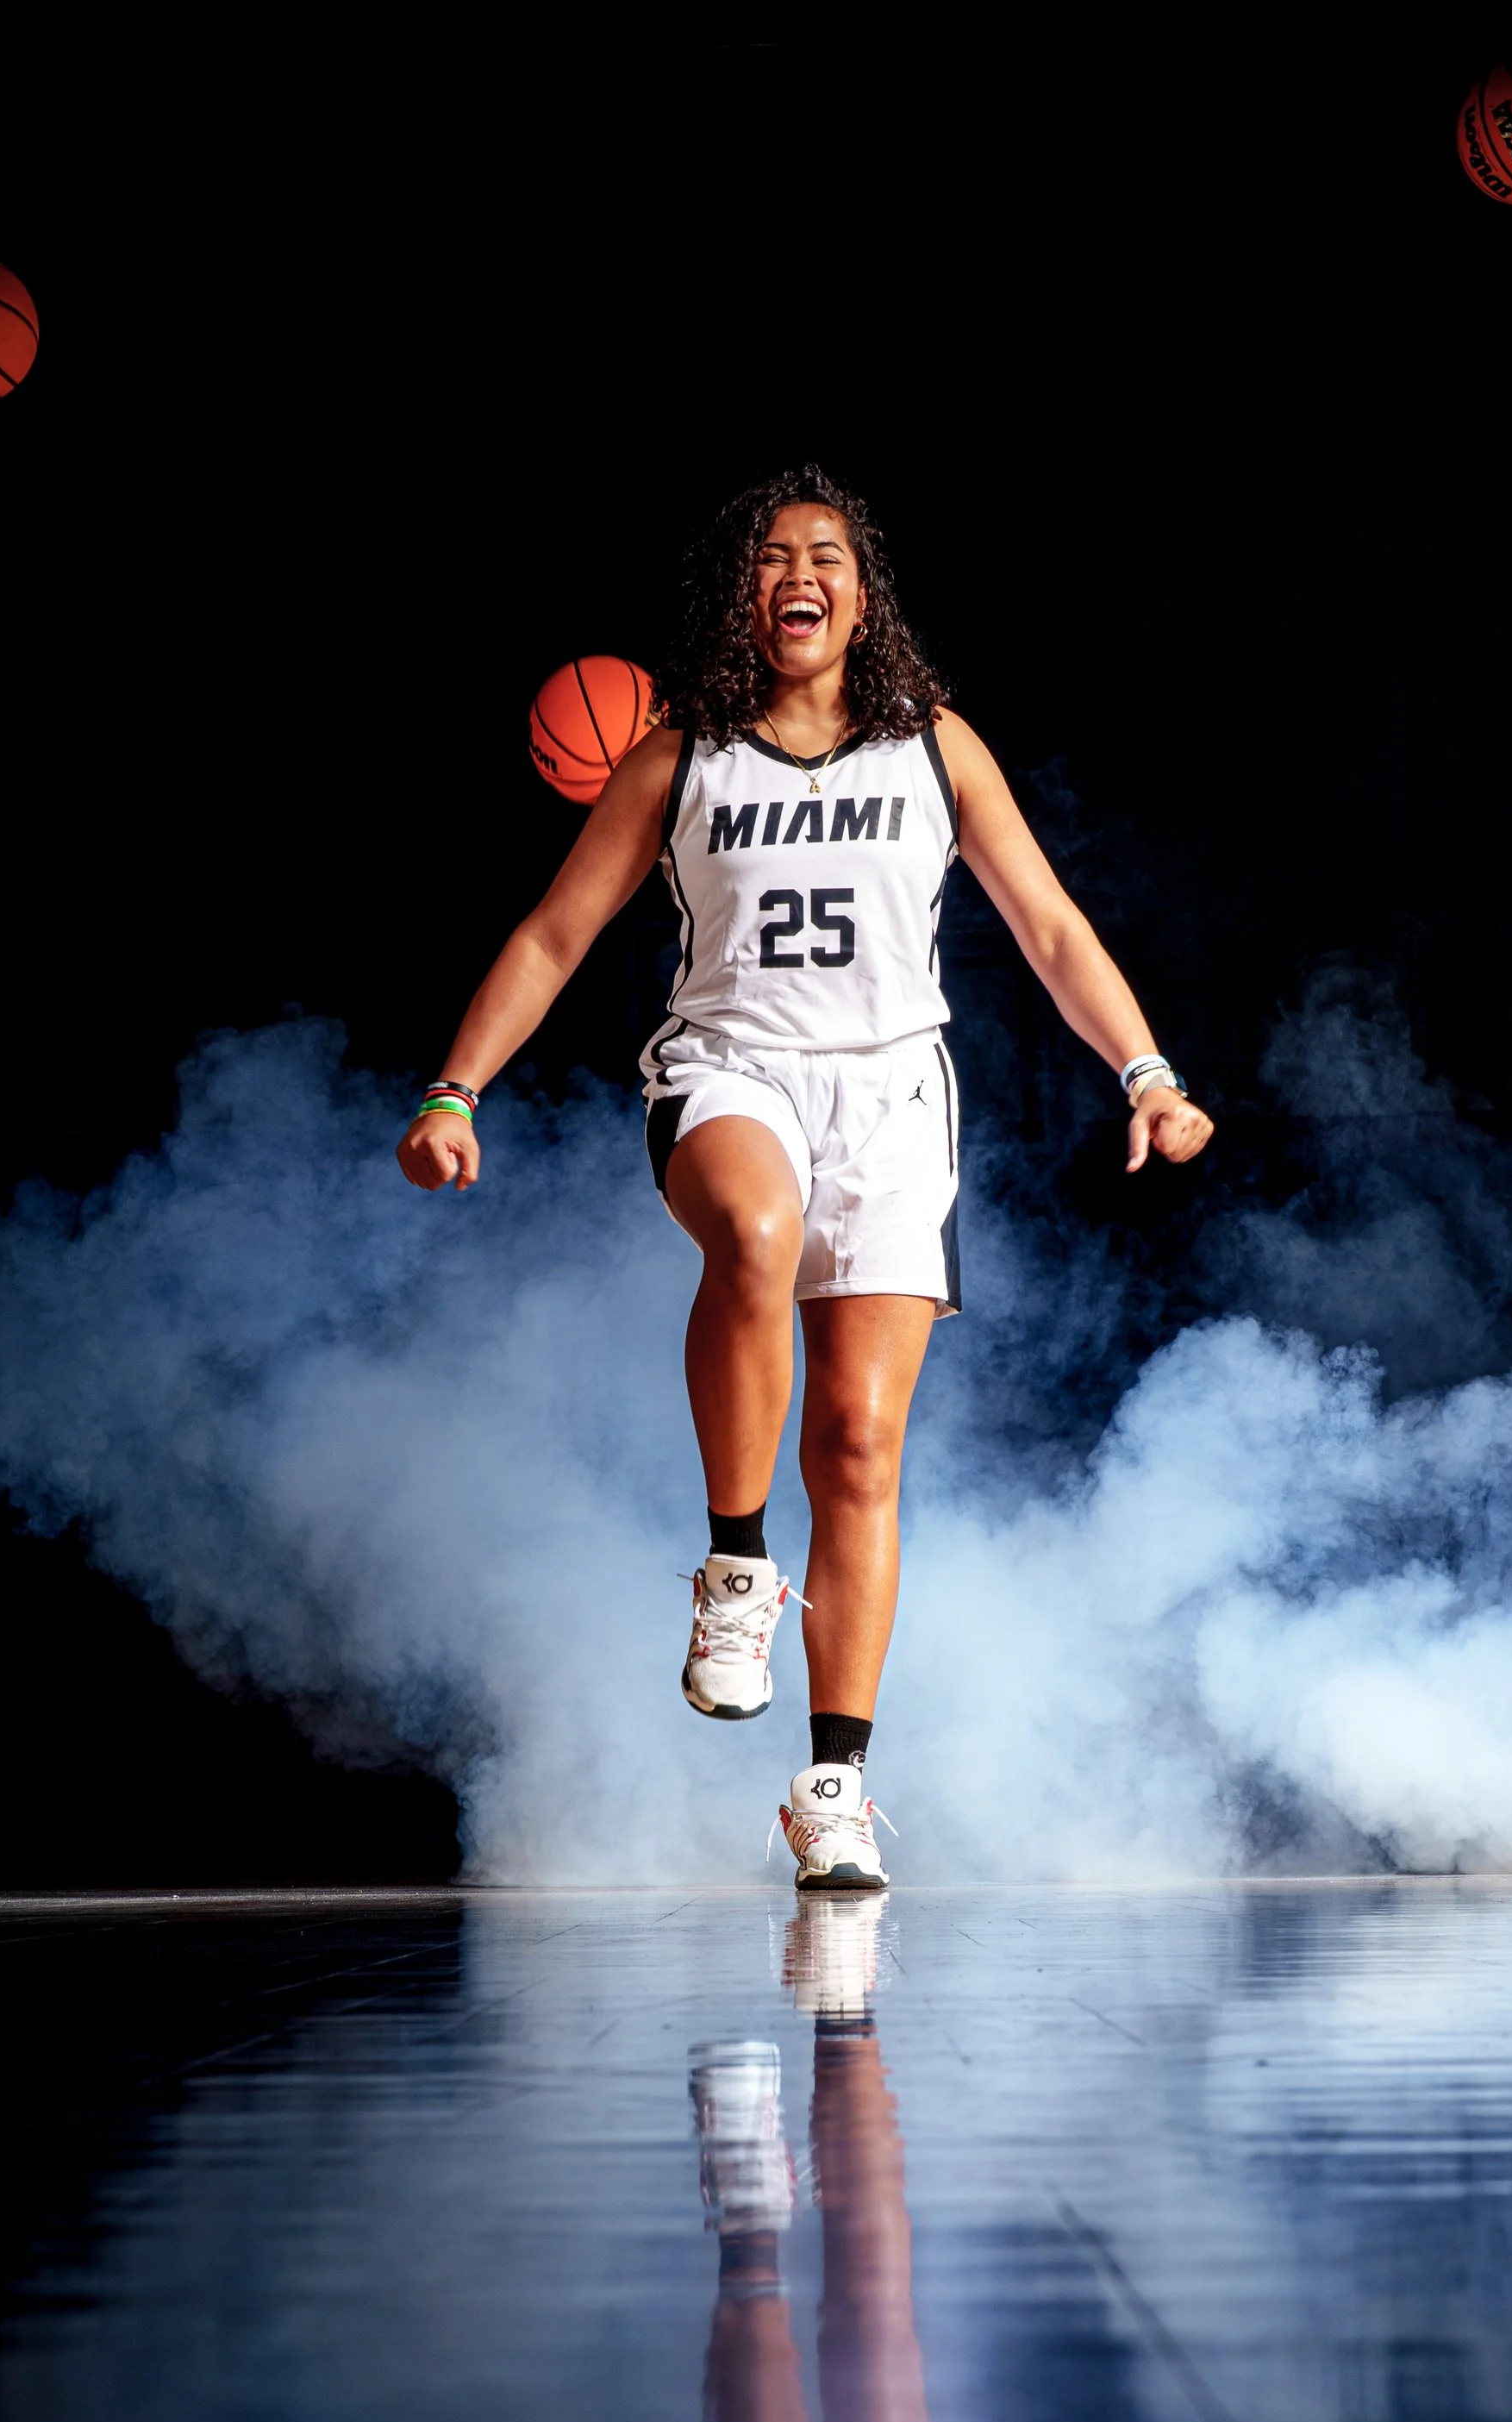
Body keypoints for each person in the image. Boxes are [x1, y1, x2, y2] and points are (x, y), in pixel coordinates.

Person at [397, 463, 1214, 1886]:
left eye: (827, 553)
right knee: (754, 1234)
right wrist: (455, 1088)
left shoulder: (937, 751)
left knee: (859, 1446)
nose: (802, 570)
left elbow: (1052, 926)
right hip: (733, 1070)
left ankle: (833, 1782)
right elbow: (550, 935)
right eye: (775, 554)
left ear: (861, 593)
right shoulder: (675, 758)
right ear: (744, 595)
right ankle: (732, 1564)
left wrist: (1149, 1073)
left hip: (896, 1097)